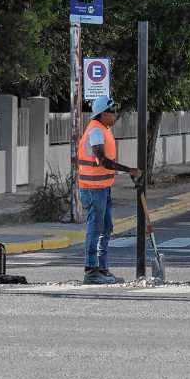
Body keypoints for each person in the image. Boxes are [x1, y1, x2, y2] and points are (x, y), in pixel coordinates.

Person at [77, 96, 140, 284]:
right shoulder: (96, 131)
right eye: (112, 111)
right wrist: (129, 170)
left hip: (103, 188)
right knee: (95, 229)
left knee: (106, 228)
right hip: (93, 189)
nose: (115, 114)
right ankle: (91, 270)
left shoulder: (103, 129)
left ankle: (102, 269)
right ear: (103, 113)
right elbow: (103, 161)